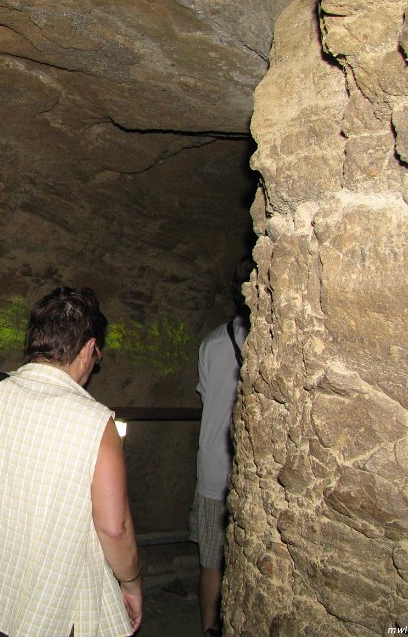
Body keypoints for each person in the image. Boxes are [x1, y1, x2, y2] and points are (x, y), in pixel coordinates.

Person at [0, 287, 141, 637]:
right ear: (87, 351)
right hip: (44, 613)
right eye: (96, 356)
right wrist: (130, 583)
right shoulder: (96, 423)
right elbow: (115, 528)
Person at [189, 256, 254, 636]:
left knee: (211, 563)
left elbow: (206, 398)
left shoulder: (212, 343)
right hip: (250, 476)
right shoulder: (276, 344)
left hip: (214, 469)